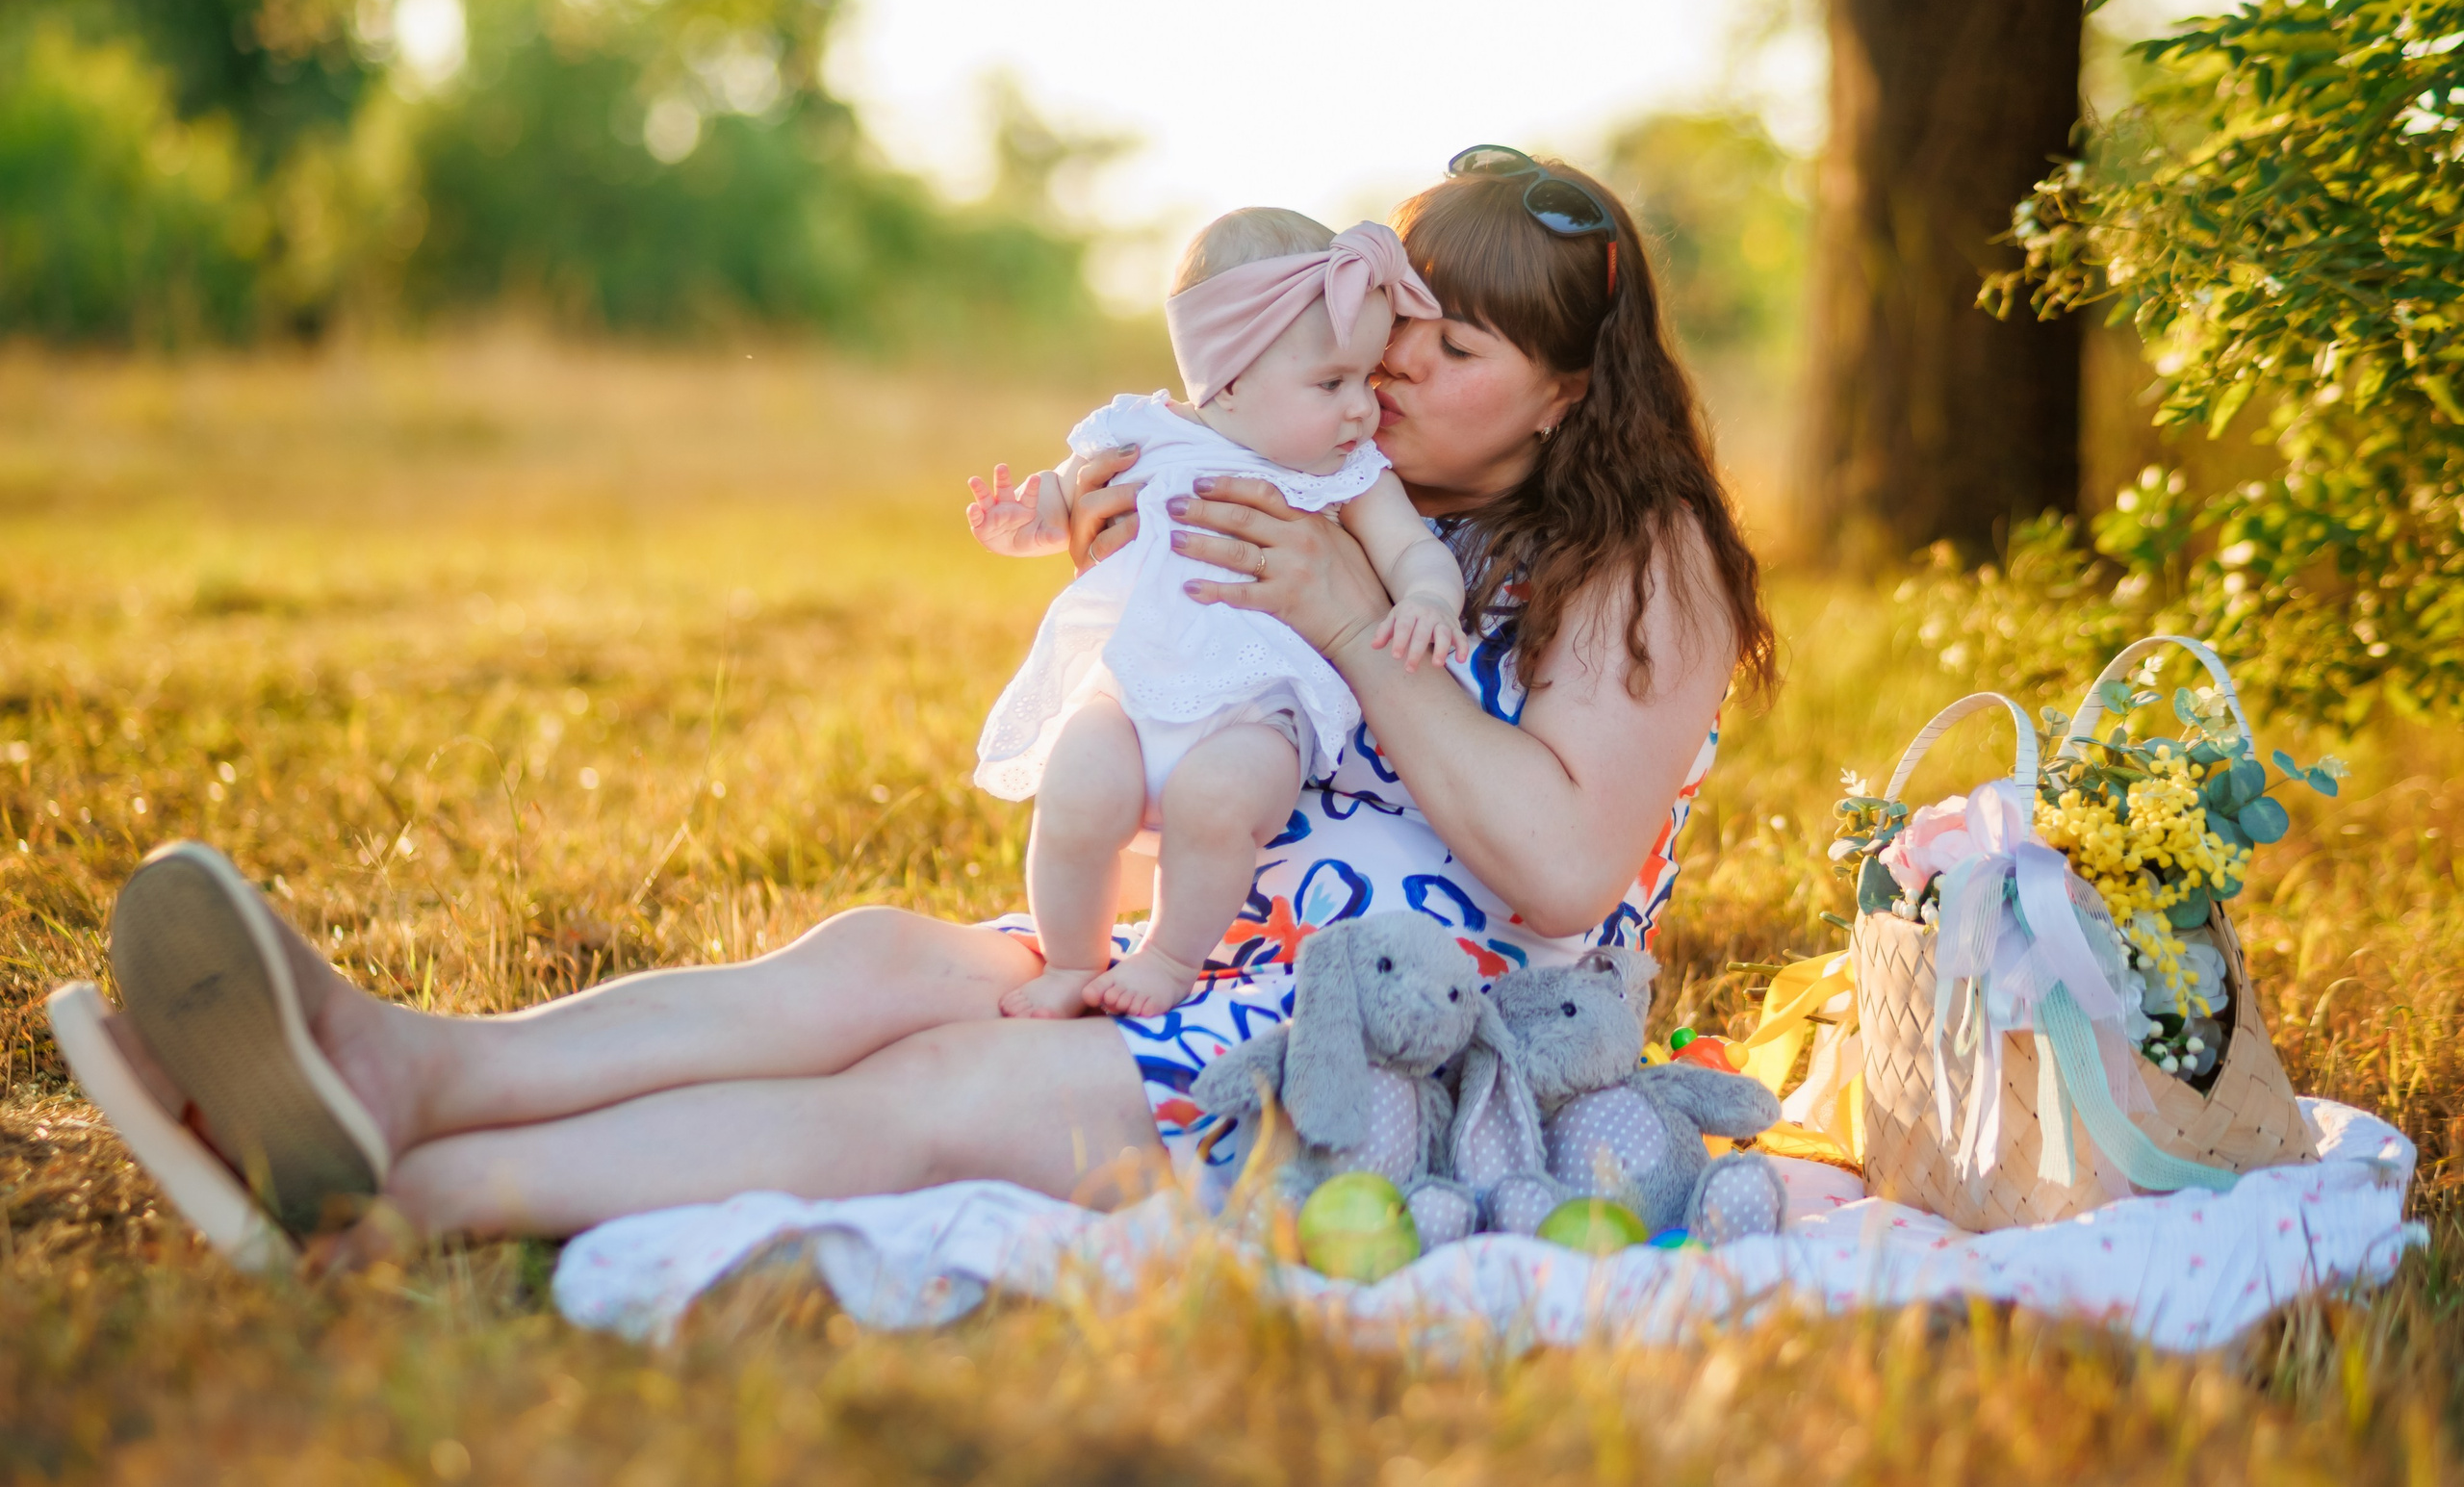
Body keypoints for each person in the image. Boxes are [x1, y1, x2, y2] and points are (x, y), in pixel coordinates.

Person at [48, 145, 1778, 1260]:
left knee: (943, 1092)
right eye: (1392, 322)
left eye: (1456, 354)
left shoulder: (1647, 559)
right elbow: (1207, 658)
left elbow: (1558, 866)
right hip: (1203, 935)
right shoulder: (1363, 485)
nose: (1393, 369)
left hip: (1399, 1045)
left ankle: (392, 1201)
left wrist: (1335, 605)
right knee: (875, 958)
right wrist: (1130, 554)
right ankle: (397, 1066)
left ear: (1568, 392)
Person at [969, 209, 1465, 1020]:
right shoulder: (1142, 430)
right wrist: (1027, 522)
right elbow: (1066, 501)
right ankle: (1069, 960)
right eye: (1332, 383)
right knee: (1075, 785)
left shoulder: (1349, 472)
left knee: (1218, 803)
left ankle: (1168, 956)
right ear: (1227, 381)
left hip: (1258, 708)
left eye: (1368, 379)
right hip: (1128, 689)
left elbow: (1411, 546)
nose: (1362, 410)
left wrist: (1428, 596)